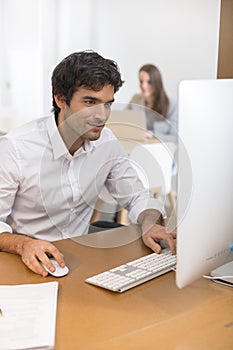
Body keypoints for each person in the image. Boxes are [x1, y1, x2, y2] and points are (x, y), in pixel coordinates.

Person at [0, 51, 176, 277]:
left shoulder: (107, 142)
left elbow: (137, 196)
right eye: (90, 102)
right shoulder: (16, 148)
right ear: (60, 99)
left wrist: (150, 222)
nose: (102, 116)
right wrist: (22, 244)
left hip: (79, 260)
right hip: (25, 262)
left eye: (108, 104)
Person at [128, 64, 177, 142]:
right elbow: (124, 120)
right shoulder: (135, 99)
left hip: (160, 148)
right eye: (141, 81)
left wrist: (153, 135)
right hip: (138, 145)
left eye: (149, 82)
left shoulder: (172, 105)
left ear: (156, 83)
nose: (144, 86)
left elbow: (175, 138)